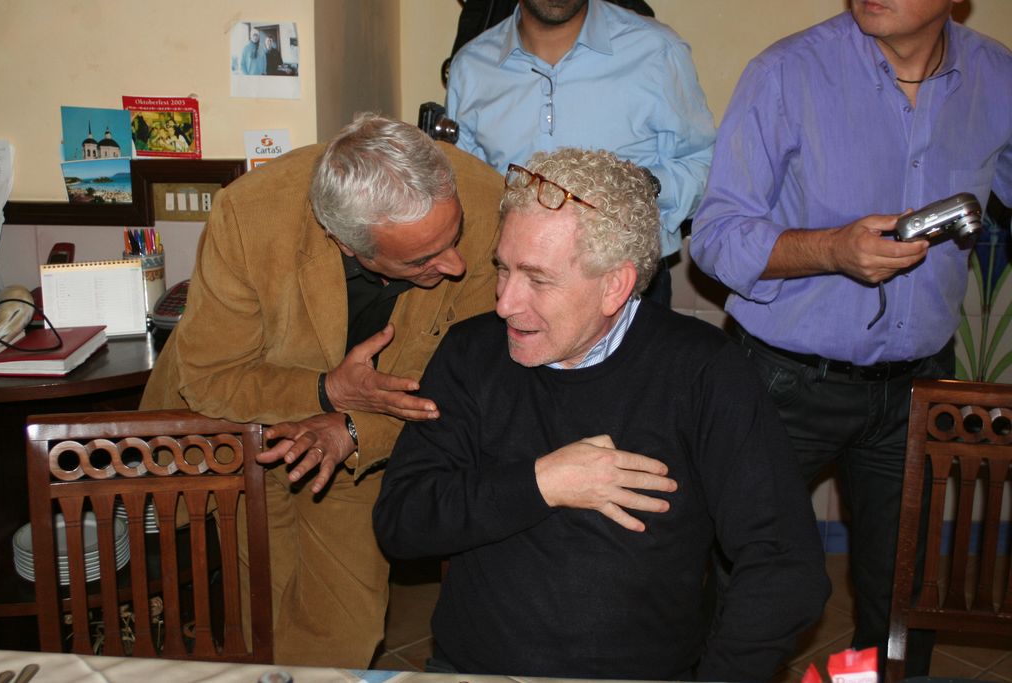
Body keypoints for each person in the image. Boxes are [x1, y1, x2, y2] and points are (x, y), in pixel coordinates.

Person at [373, 148, 829, 682]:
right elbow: (402, 523)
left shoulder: (703, 371)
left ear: (614, 285)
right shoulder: (471, 353)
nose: (504, 303)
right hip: (475, 670)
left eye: (537, 279)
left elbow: (784, 563)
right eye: (503, 268)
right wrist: (542, 482)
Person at [689, 0, 1012, 675]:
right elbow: (715, 238)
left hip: (921, 384)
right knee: (744, 581)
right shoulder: (786, 73)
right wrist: (831, 250)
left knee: (903, 596)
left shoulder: (997, 77)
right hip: (783, 383)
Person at [138, 113, 504, 667]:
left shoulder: (486, 202)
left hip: (372, 435)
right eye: (421, 260)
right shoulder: (249, 216)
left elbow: (471, 384)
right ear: (347, 243)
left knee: (344, 629)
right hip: (243, 427)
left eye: (452, 239)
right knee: (259, 616)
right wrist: (329, 390)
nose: (454, 265)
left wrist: (351, 426)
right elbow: (212, 376)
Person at [445, 0, 715, 304]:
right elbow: (467, 188)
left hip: (626, 279)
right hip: (512, 283)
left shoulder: (656, 49)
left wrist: (637, 189)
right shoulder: (471, 66)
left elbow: (703, 163)